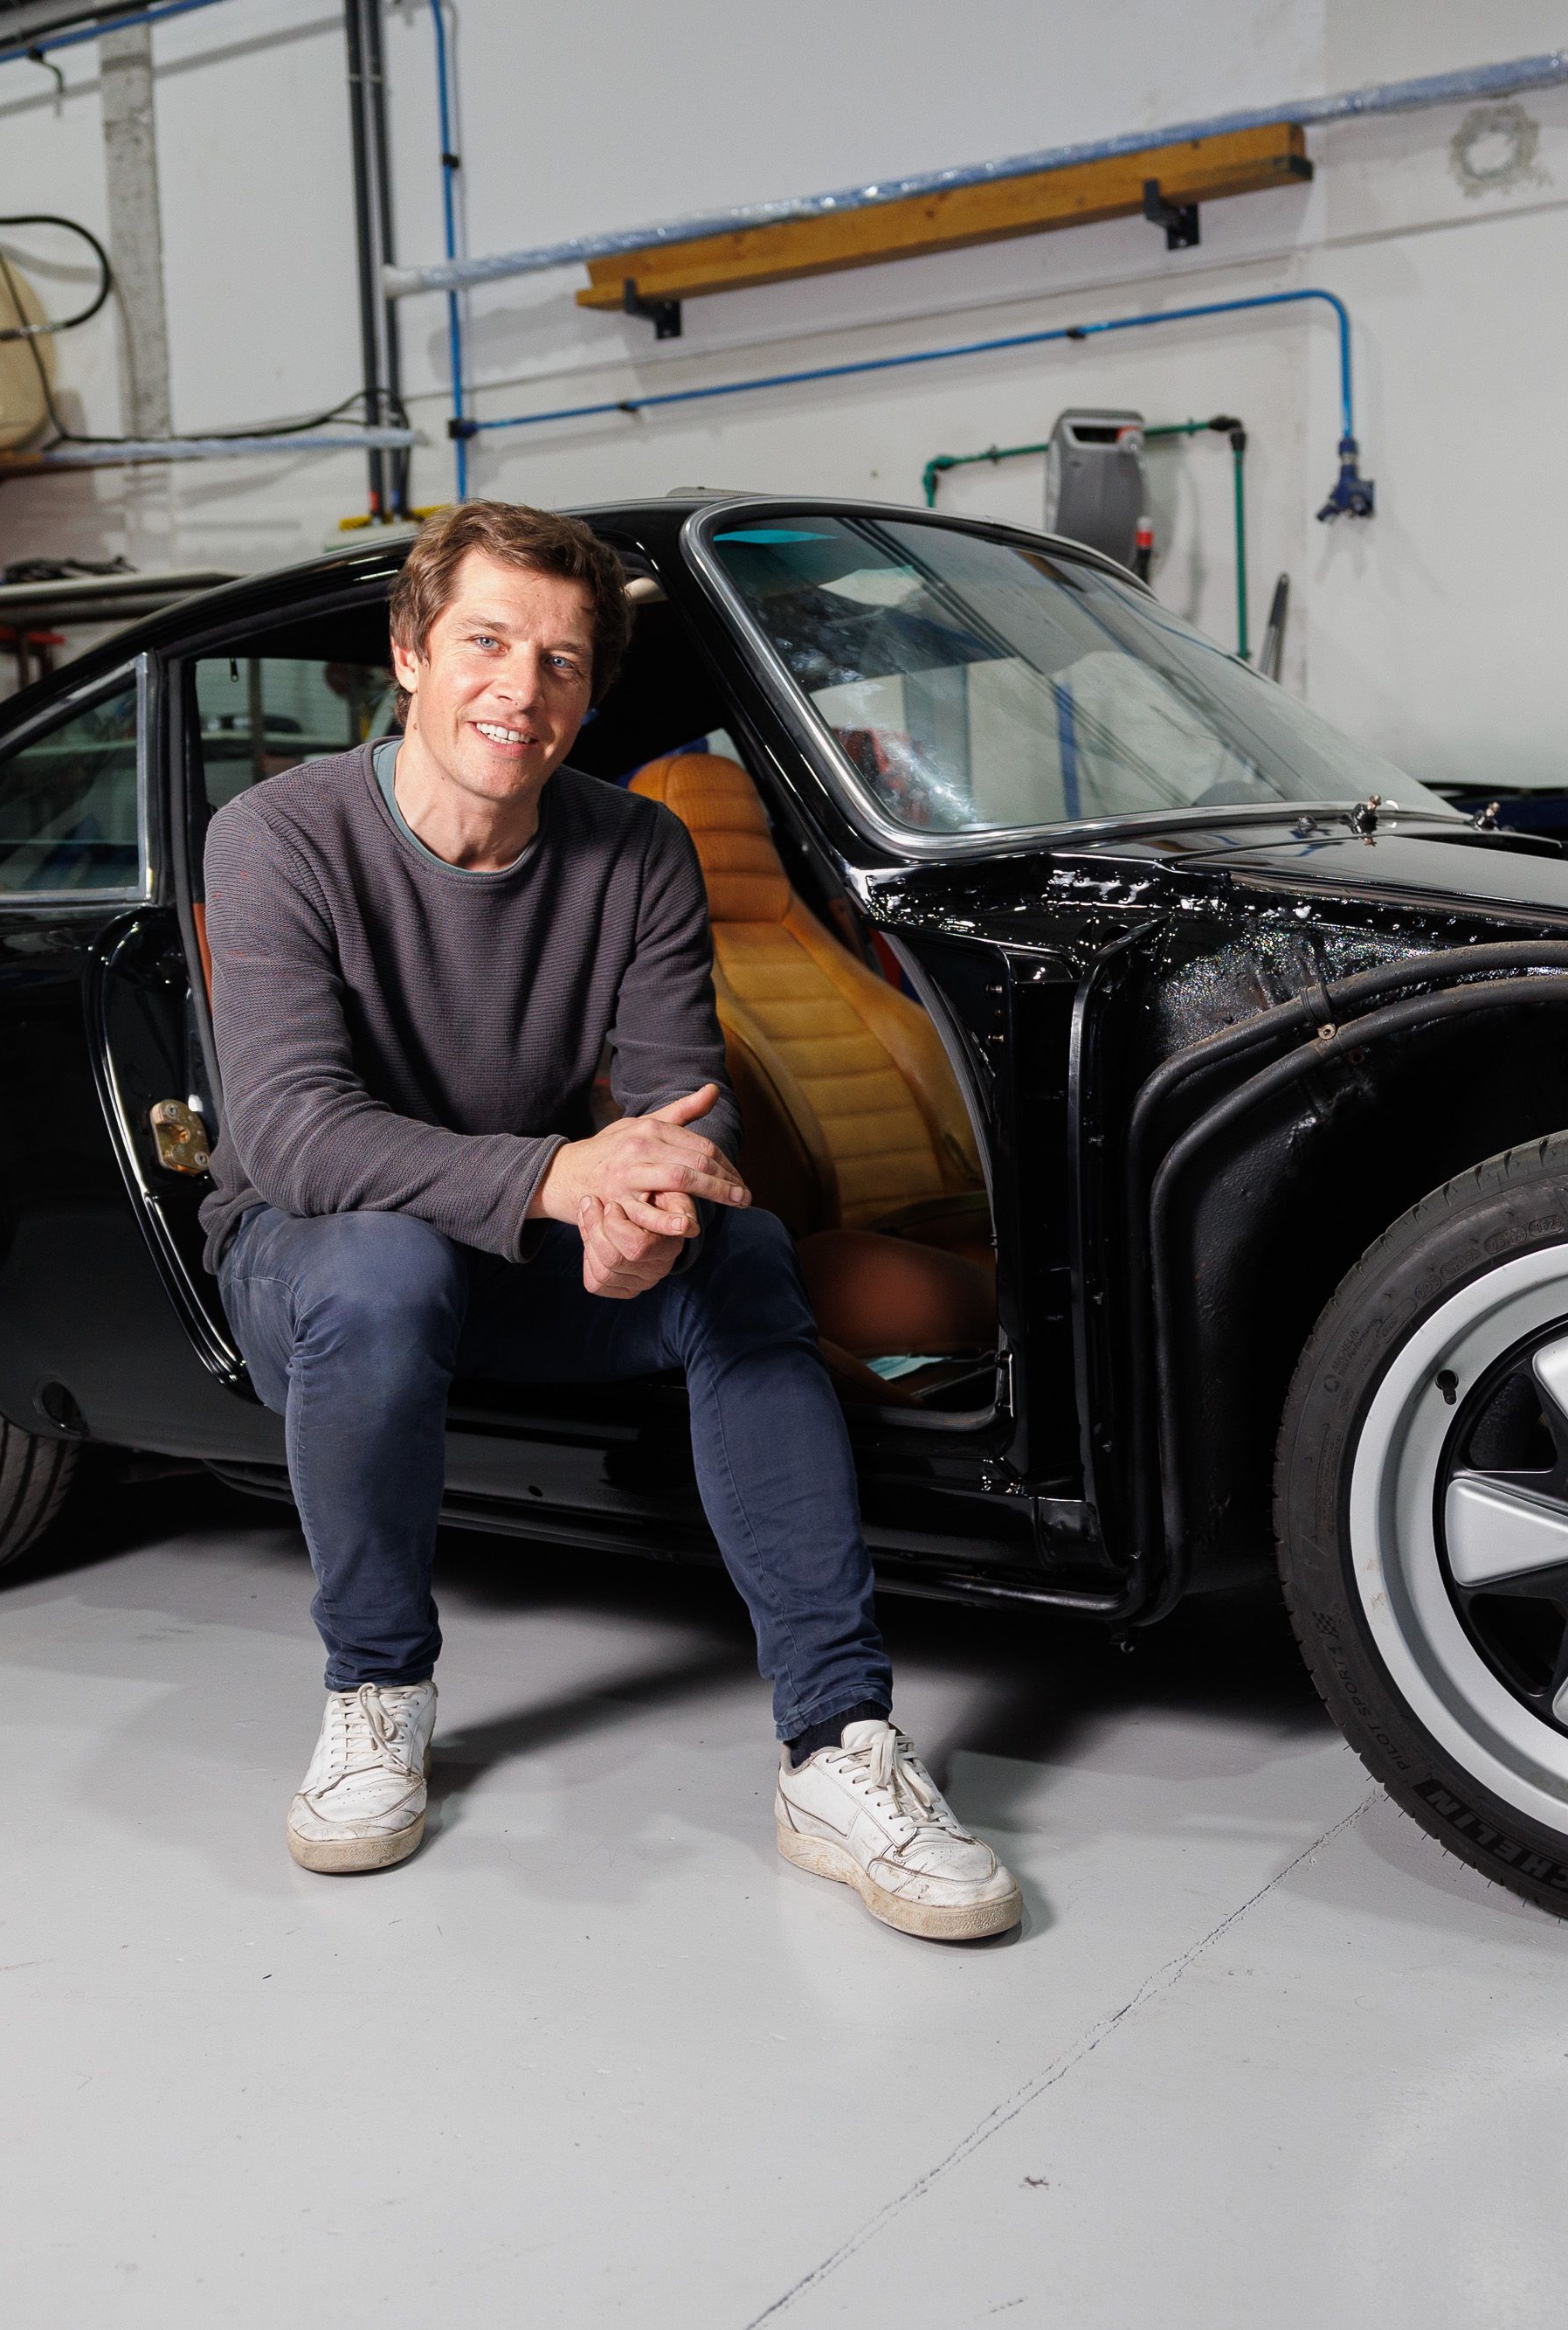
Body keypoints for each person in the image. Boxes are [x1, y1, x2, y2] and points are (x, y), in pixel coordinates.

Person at [197, 500, 1021, 1941]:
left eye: (564, 661)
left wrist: (655, 1194)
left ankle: (836, 1747)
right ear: (409, 651)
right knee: (384, 1267)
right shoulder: (276, 834)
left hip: (526, 1247)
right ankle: (374, 1692)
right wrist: (557, 1180)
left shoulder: (638, 848)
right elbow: (290, 1135)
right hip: (311, 1262)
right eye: (487, 642)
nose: (522, 691)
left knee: (744, 1257)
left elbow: (685, 1095)